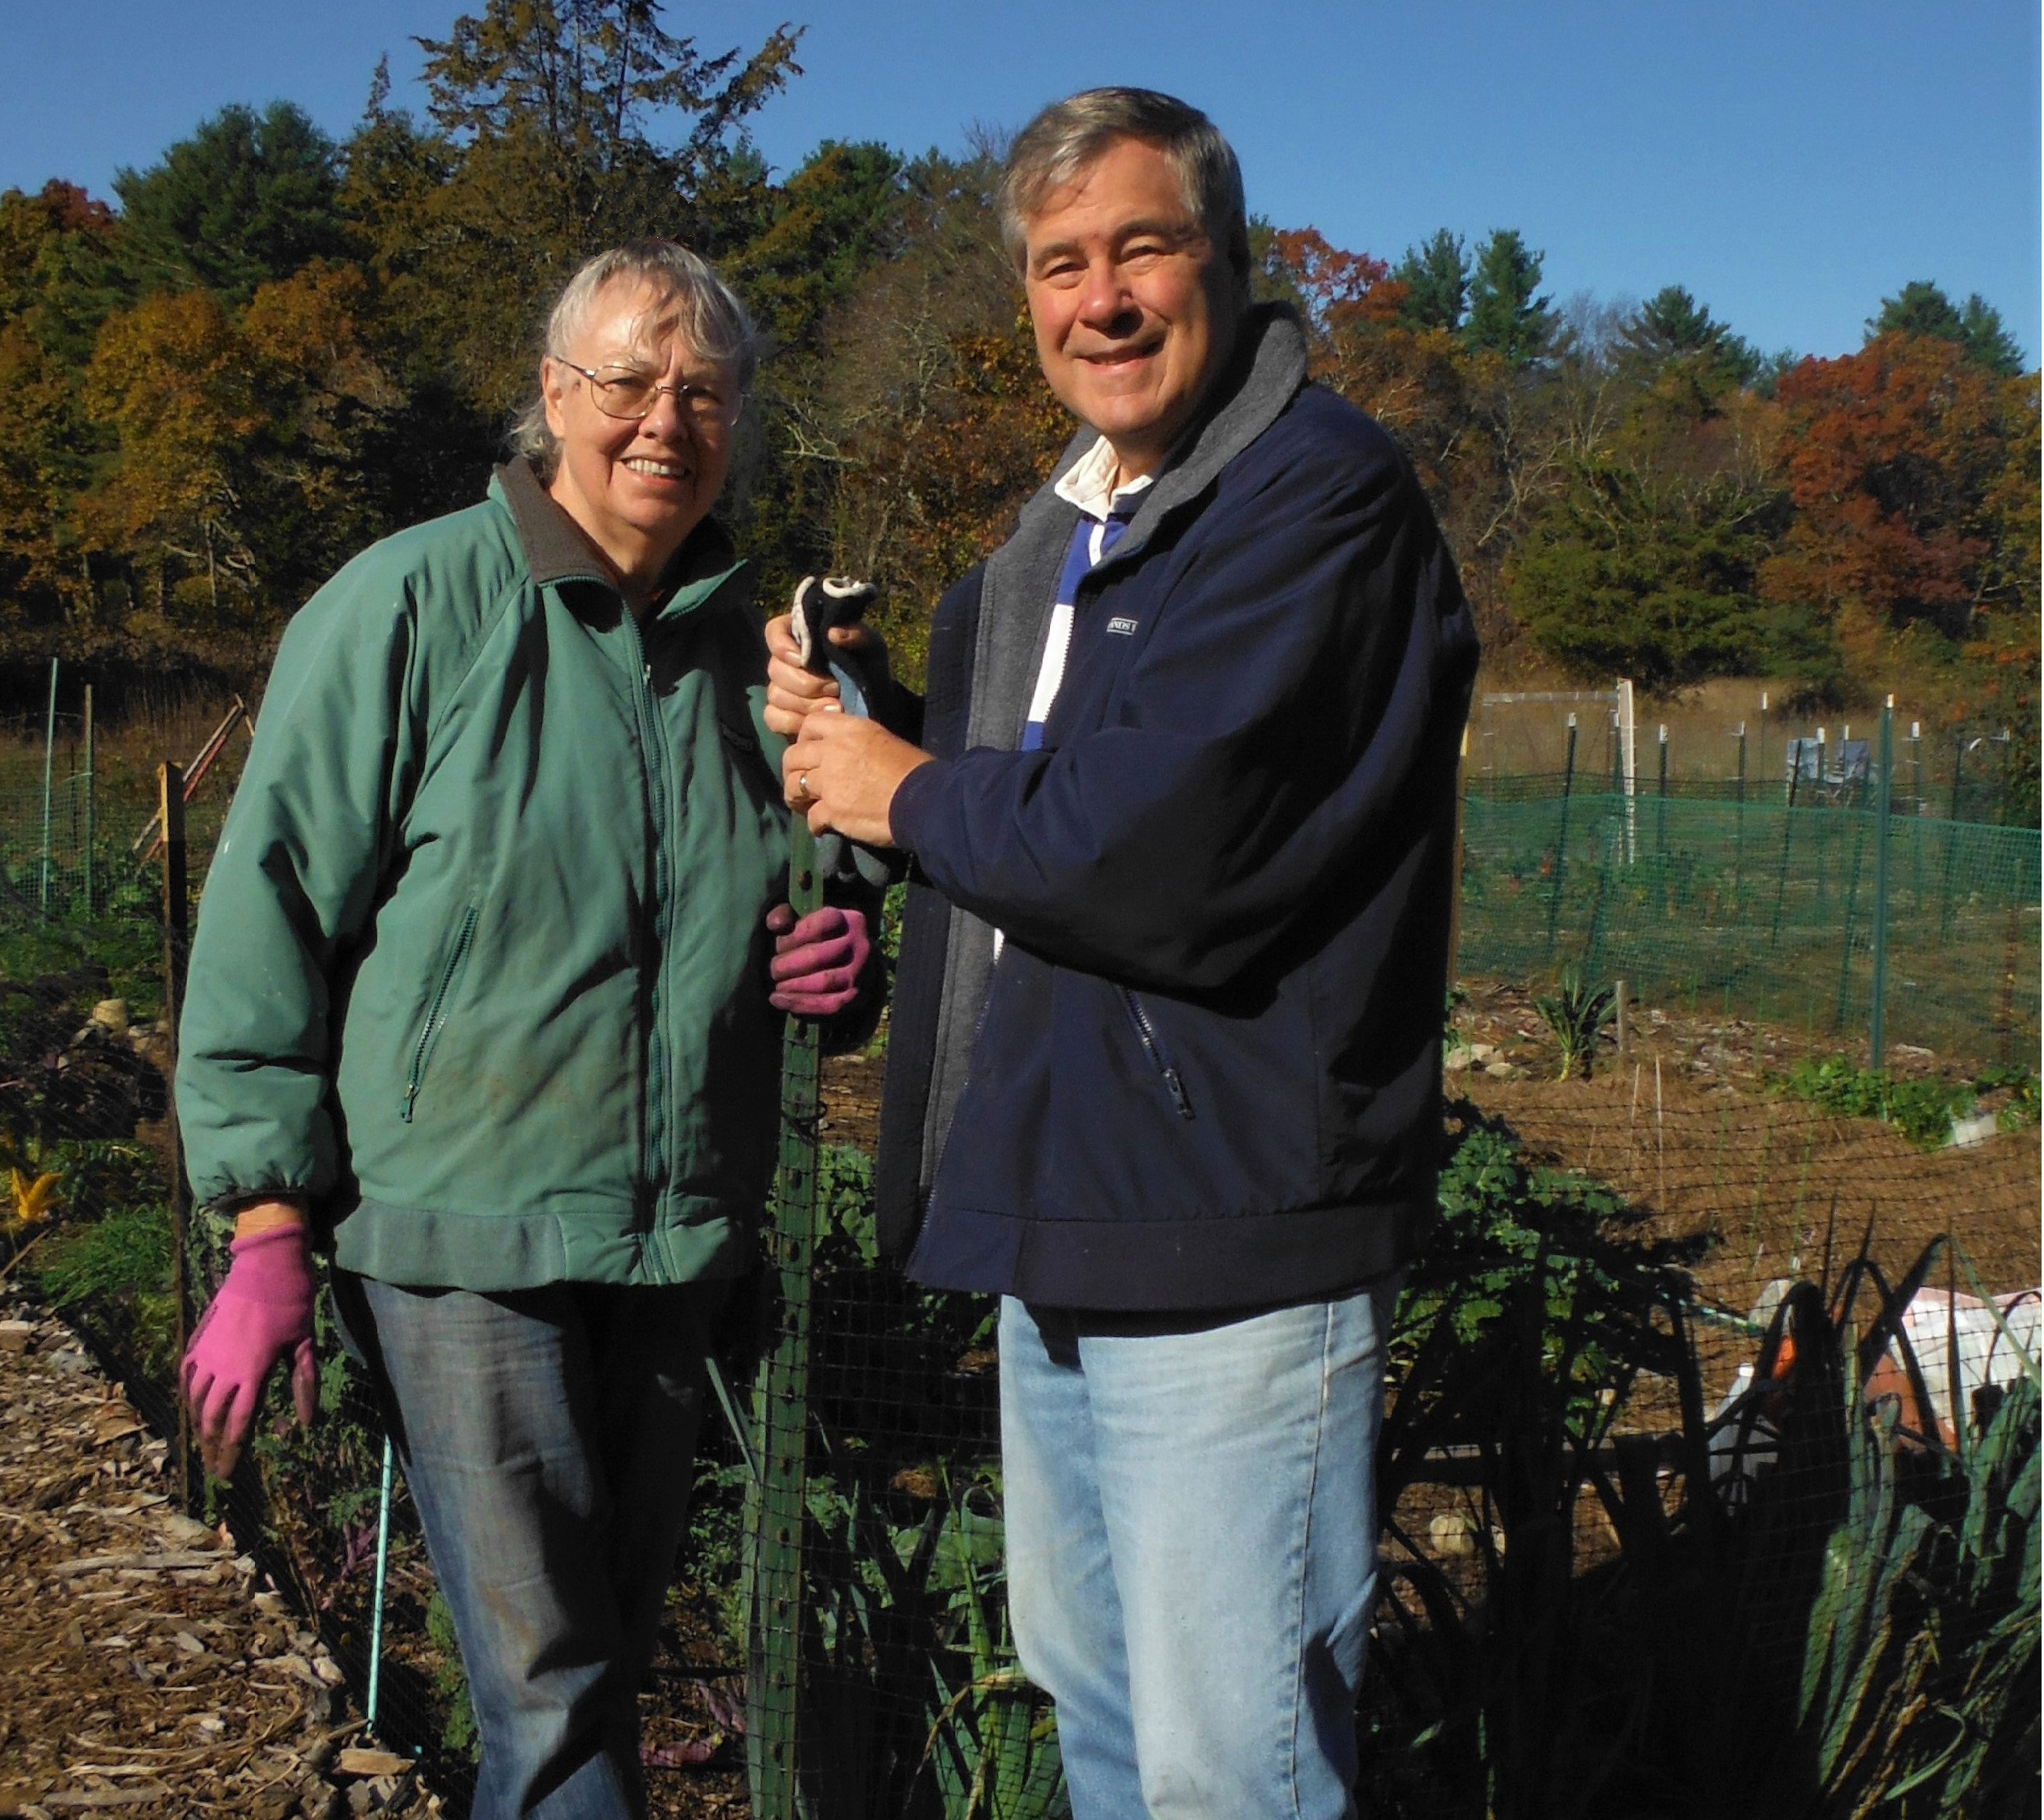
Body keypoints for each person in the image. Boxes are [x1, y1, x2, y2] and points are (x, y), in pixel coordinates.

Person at [764, 90, 1478, 1819]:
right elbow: (1057, 802)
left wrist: (908, 785)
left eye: (1142, 249)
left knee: (1230, 1761)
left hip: (1228, 1224)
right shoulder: (1067, 530)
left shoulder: (1313, 496)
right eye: (1060, 264)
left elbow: (1158, 843)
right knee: (1101, 1713)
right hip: (1066, 1195)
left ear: (1228, 265)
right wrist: (884, 736)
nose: (1101, 298)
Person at [172, 240, 874, 1820]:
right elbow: (271, 906)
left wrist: (842, 945)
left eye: (704, 391)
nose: (663, 422)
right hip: (458, 1224)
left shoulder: (767, 654)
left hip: (674, 1229)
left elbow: (818, 887)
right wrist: (270, 1217)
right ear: (554, 395)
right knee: (552, 1694)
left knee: (597, 1671)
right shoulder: (408, 606)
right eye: (627, 381)